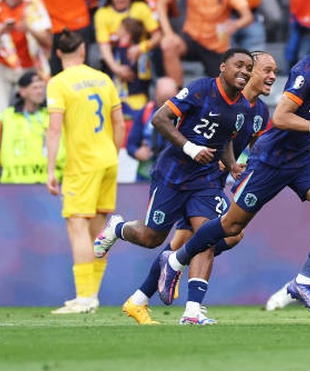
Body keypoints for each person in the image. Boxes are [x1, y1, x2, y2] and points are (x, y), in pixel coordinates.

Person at [157, 14, 310, 316]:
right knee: (231, 227)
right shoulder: (308, 69)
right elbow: (281, 117)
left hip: (301, 159)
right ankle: (175, 259)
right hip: (271, 160)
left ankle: (302, 282)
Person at [93, 48, 254, 325]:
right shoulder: (201, 89)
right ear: (223, 67)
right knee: (150, 237)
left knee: (207, 235)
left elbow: (224, 138)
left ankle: (192, 311)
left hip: (204, 181)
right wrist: (191, 148)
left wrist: (231, 164)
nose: (244, 71)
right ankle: (117, 228)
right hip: (172, 175)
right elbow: (159, 118)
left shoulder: (242, 108)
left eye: (249, 67)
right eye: (239, 65)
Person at [45, 29, 125, 314]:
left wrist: (50, 169)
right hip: (108, 160)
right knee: (98, 232)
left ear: (58, 53)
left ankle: (83, 298)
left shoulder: (58, 83)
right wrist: (113, 154)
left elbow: (54, 129)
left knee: (77, 226)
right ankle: (91, 296)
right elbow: (119, 123)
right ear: (82, 50)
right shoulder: (103, 78)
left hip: (82, 164)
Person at [94, 0, 162, 109]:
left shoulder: (141, 8)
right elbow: (104, 45)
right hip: (114, 60)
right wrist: (116, 68)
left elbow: (157, 36)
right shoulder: (102, 14)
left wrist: (140, 48)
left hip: (141, 60)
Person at [0, 0, 53, 115]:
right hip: (1, 69)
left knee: (38, 112)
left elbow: (48, 41)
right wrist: (1, 31)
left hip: (31, 69)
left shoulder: (34, 3)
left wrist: (29, 29)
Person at [0, 71, 64, 183]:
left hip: (49, 183)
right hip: (12, 186)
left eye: (41, 87)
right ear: (22, 92)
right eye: (35, 88)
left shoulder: (53, 115)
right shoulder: (6, 117)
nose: (40, 91)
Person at [125, 76, 179, 182]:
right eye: (163, 99)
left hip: (173, 177)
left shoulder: (186, 115)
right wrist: (137, 152)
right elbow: (131, 144)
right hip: (146, 176)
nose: (166, 104)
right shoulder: (145, 112)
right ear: (155, 94)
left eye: (170, 98)